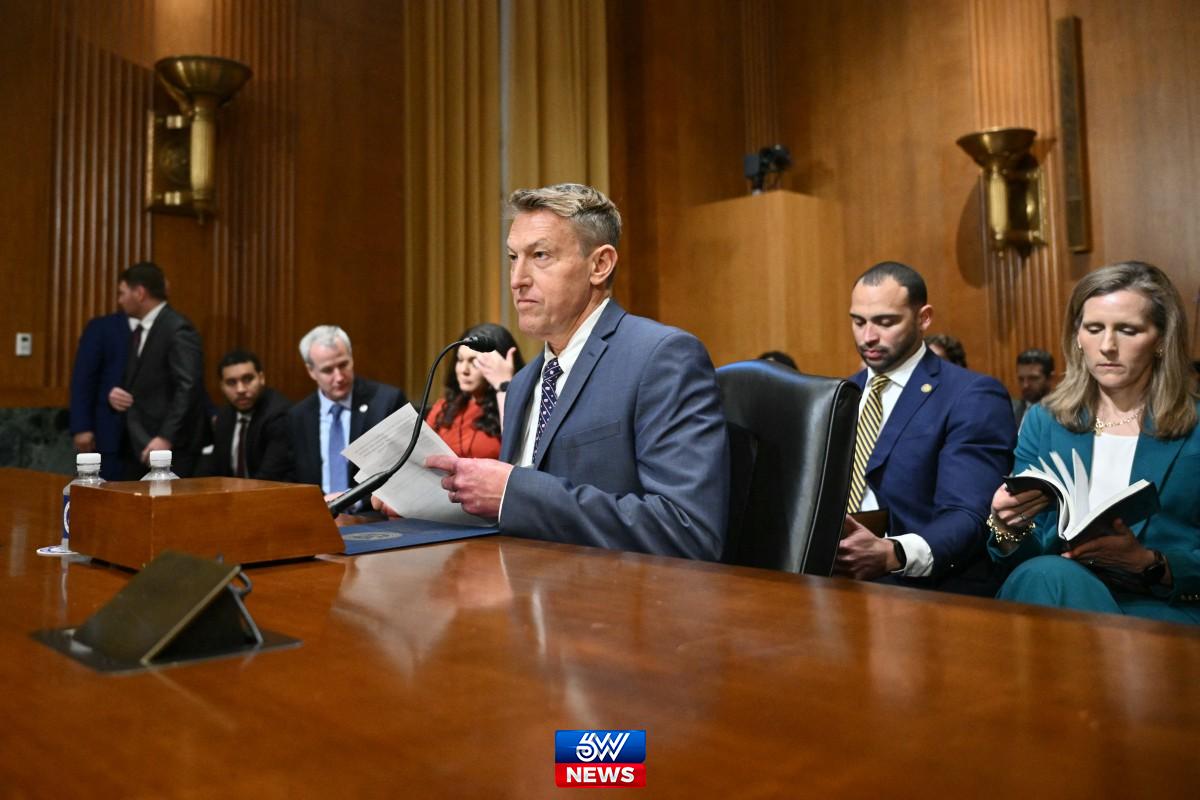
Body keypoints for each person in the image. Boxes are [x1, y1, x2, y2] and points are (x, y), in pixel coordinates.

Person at [417, 183, 730, 560]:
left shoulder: (662, 358)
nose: (517, 279)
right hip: (518, 581)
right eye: (513, 257)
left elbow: (687, 530)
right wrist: (443, 501)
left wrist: (513, 492)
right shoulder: (522, 384)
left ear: (599, 265)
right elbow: (517, 512)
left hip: (613, 592)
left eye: (540, 255)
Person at [988, 262, 1200, 623]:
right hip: (1057, 590)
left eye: (1128, 330)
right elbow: (1023, 558)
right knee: (1044, 574)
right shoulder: (1045, 420)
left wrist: (1150, 563)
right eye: (1094, 328)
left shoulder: (1194, 425)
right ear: (1077, 336)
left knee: (1045, 578)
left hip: (1162, 607)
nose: (1107, 346)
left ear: (1162, 339)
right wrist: (1007, 527)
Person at [839, 261, 1016, 593]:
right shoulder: (838, 395)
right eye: (858, 322)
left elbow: (968, 514)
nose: (868, 337)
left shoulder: (970, 395)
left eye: (886, 322)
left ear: (924, 318)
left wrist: (893, 553)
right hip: (827, 574)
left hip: (922, 585)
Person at [107, 262, 208, 478]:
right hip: (140, 442)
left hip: (169, 448)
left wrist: (166, 436)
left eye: (122, 293)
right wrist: (118, 396)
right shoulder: (143, 329)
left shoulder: (177, 328)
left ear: (140, 293)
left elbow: (188, 387)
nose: (119, 300)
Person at [288, 325, 407, 495]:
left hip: (370, 509)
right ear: (311, 371)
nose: (339, 377)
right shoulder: (297, 416)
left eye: (343, 364)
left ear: (351, 358)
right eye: (328, 370)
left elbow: (403, 469)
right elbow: (289, 478)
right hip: (318, 508)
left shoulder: (386, 402)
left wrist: (355, 501)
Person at [426, 323, 524, 458]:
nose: (464, 370)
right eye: (460, 360)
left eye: (474, 362)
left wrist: (503, 386)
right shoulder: (443, 408)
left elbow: (517, 453)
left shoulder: (515, 406)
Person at [199, 349, 293, 480]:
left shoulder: (279, 415)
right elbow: (215, 468)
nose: (240, 389)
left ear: (261, 378)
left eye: (247, 379)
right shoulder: (224, 416)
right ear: (222, 386)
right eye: (231, 382)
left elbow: (270, 476)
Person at [68, 310, 130, 480]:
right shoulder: (103, 328)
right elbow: (83, 379)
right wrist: (81, 427)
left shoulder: (167, 328)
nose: (121, 300)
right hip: (109, 433)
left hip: (152, 438)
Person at [1012, 348, 1054, 428]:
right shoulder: (1010, 411)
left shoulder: (1064, 413)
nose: (1025, 385)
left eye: (1033, 378)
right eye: (1021, 379)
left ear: (1050, 378)